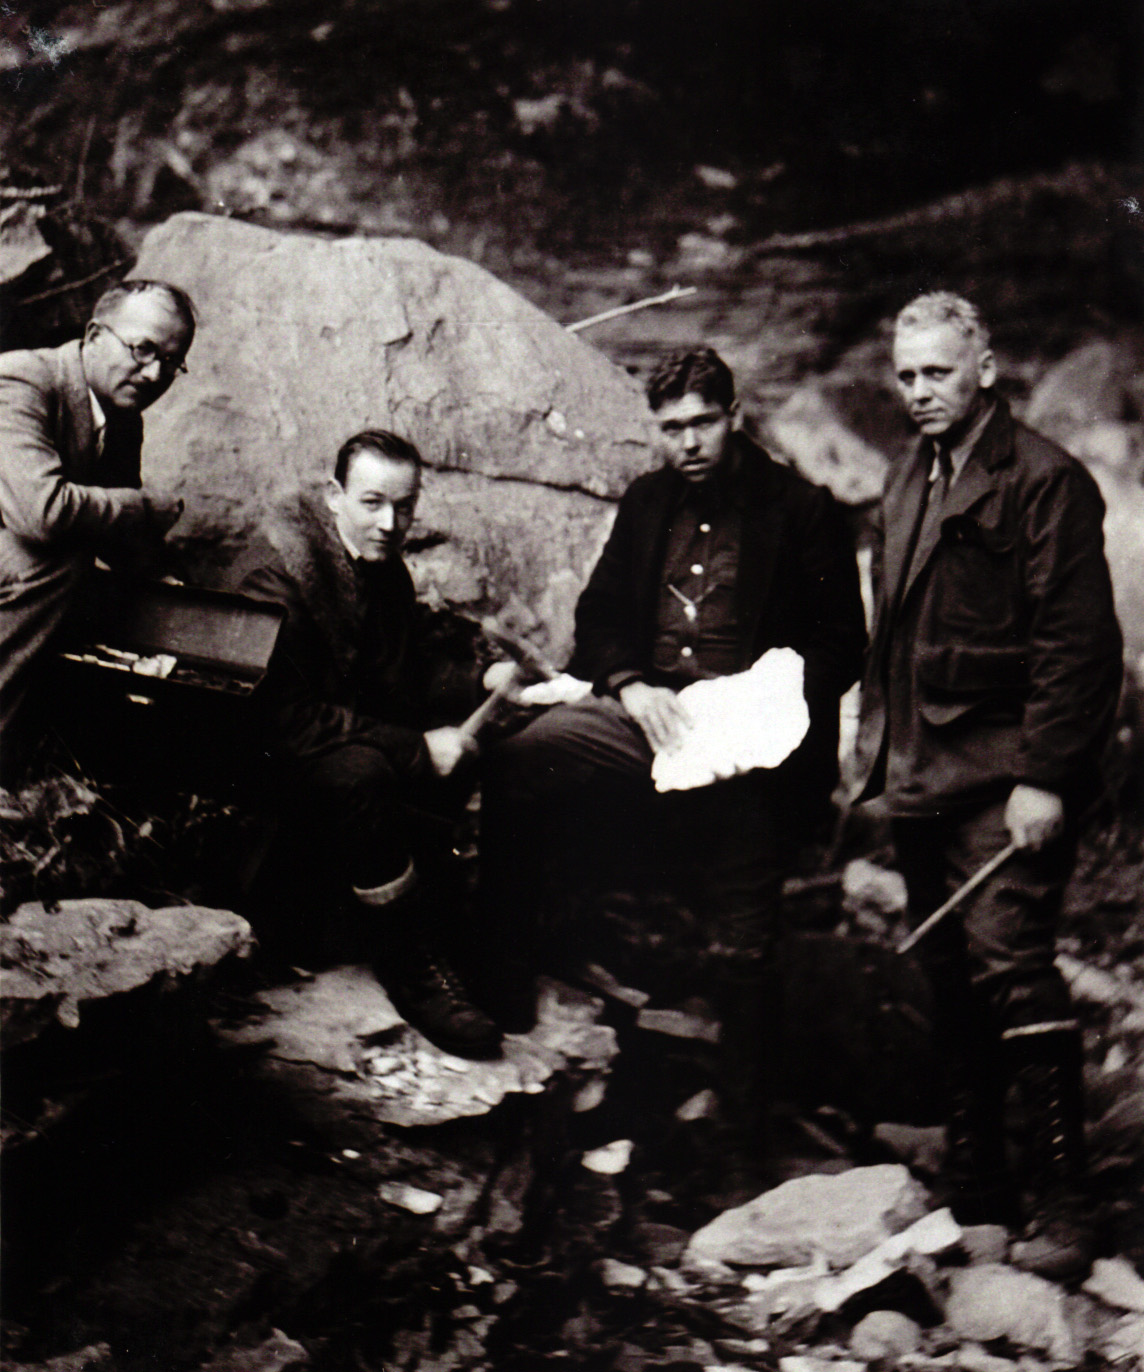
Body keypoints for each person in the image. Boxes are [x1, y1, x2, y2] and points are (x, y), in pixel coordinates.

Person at [478, 348, 866, 1159]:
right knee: (525, 755)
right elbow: (600, 615)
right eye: (670, 428)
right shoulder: (649, 500)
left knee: (743, 945)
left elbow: (843, 646)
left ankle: (737, 1144)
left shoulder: (802, 509)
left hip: (757, 743)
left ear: (735, 418)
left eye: (701, 424)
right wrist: (630, 682)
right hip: (652, 720)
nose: (687, 442)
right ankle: (506, 993)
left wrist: (757, 705)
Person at [854, 292, 1123, 1277]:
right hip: (924, 779)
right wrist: (875, 766)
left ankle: (1066, 1204)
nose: (917, 389)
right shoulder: (903, 477)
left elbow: (1080, 649)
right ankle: (979, 1191)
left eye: (935, 370)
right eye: (906, 373)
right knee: (949, 978)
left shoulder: (1046, 482)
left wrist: (1046, 778)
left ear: (984, 369)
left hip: (1005, 780)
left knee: (1013, 965)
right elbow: (893, 639)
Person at [237, 429, 511, 1060]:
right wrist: (418, 748)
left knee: (464, 741)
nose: (391, 522)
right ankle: (409, 965)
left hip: (334, 744)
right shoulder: (276, 576)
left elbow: (399, 676)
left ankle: (435, 919)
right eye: (372, 502)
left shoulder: (379, 566)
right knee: (365, 773)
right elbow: (289, 722)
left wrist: (478, 679)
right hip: (269, 778)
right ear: (335, 497)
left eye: (405, 505)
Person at [0, 280, 193, 786]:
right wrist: (144, 507)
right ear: (92, 335)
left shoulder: (122, 417)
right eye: (143, 349)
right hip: (22, 554)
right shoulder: (21, 380)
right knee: (49, 558)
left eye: (171, 363)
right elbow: (41, 512)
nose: (154, 373)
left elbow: (117, 535)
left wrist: (167, 585)